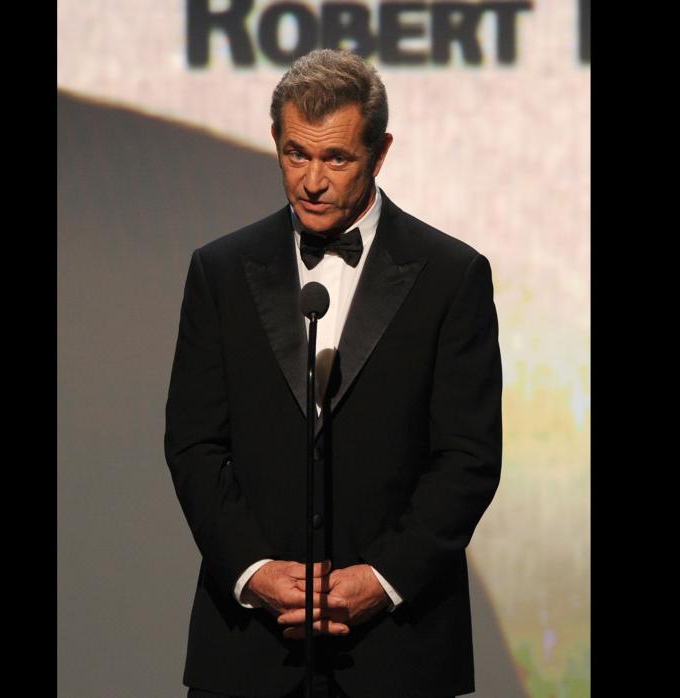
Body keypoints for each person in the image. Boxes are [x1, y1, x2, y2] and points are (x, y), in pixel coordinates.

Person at [165, 49, 502, 698]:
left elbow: (467, 457)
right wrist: (255, 570)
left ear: (380, 154)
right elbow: (193, 442)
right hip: (246, 653)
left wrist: (381, 579)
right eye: (296, 154)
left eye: (336, 159)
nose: (311, 180)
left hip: (398, 656)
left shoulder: (452, 276)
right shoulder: (221, 271)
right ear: (274, 141)